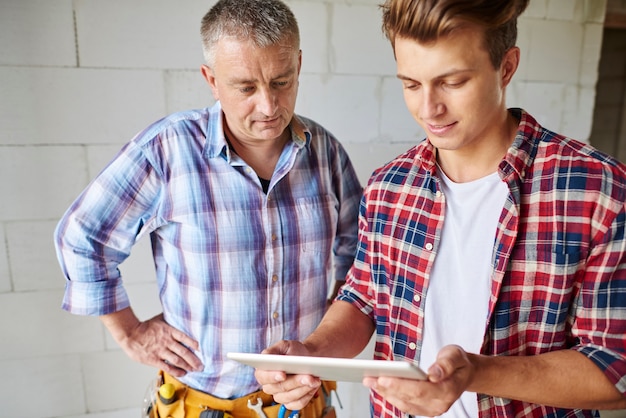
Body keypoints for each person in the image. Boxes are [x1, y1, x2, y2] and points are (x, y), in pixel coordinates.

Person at [254, 0, 626, 417]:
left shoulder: (597, 190)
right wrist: (312, 353)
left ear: (506, 67)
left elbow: (614, 371)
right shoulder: (389, 185)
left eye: (452, 82)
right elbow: (363, 299)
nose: (428, 109)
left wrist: (475, 373)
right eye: (411, 84)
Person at [53, 0, 362, 417]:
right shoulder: (167, 150)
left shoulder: (326, 153)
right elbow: (82, 236)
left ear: (299, 65)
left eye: (282, 81)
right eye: (246, 88)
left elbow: (361, 258)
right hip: (202, 404)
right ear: (211, 80)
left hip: (304, 404)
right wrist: (129, 332)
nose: (269, 106)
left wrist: (329, 334)